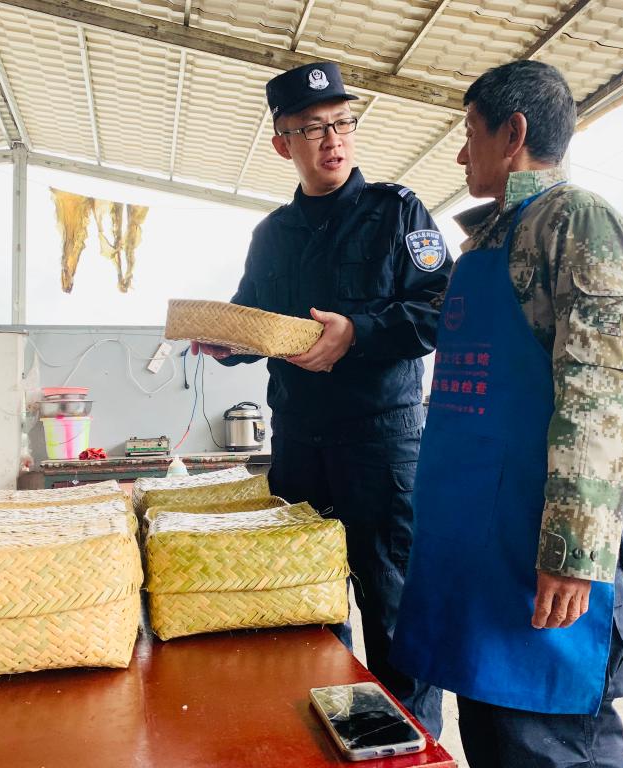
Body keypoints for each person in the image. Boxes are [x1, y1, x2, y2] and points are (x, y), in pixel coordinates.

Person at [389, 60, 623, 767]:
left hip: (539, 544)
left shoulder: (575, 220)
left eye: (470, 133)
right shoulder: (488, 239)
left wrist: (574, 551)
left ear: (514, 133)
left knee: (549, 738)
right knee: (497, 735)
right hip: (478, 540)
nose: (461, 153)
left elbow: (601, 394)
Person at [191, 61, 451, 736]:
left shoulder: (398, 213)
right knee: (304, 599)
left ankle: (409, 743)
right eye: (312, 128)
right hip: (300, 443)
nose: (332, 139)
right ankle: (331, 736)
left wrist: (357, 333)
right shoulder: (272, 234)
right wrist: (226, 341)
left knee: (392, 600)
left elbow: (442, 308)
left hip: (382, 442)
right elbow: (257, 319)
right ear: (283, 144)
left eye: (342, 123)